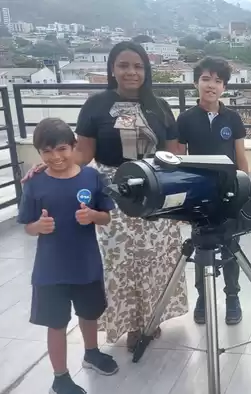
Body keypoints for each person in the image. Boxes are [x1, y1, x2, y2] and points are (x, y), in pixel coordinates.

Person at [22, 41, 189, 352]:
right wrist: (50, 166)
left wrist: (176, 195)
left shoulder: (160, 105)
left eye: (138, 66)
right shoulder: (95, 106)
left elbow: (173, 152)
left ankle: (152, 320)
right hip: (115, 191)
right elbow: (83, 152)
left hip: (155, 190)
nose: (131, 72)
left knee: (156, 259)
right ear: (112, 68)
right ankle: (130, 325)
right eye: (124, 65)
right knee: (122, 262)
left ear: (146, 70)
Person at [18, 118, 119, 394]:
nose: (55, 157)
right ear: (39, 153)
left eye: (62, 149)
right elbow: (27, 224)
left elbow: (107, 217)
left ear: (75, 147)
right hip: (50, 270)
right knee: (56, 323)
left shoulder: (92, 177)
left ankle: (91, 352)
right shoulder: (34, 182)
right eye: (46, 151)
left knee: (89, 314)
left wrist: (92, 216)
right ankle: (60, 377)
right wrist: (38, 227)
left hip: (86, 265)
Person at [176, 56, 249, 325]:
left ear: (224, 87)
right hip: (198, 195)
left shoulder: (233, 118)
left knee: (231, 247)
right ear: (196, 82)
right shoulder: (185, 119)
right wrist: (182, 200)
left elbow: (241, 157)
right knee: (201, 247)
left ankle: (233, 298)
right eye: (206, 79)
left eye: (218, 81)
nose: (211, 85)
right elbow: (177, 160)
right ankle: (203, 299)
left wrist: (244, 191)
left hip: (227, 193)